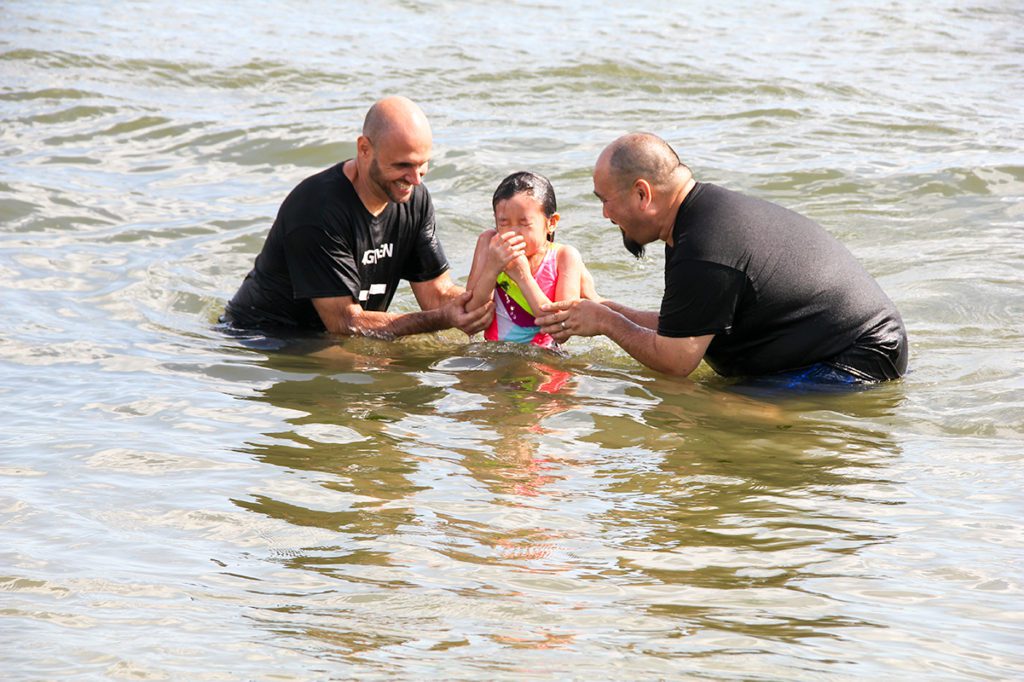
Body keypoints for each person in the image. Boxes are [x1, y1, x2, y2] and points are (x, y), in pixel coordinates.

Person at [536, 132, 909, 384]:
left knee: (720, 411)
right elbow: (687, 327)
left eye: (605, 201)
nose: (605, 215)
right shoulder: (696, 221)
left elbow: (677, 360)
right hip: (850, 352)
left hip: (852, 364)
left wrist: (606, 323)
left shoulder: (704, 245)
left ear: (642, 194)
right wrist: (607, 308)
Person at [222, 96, 492, 340]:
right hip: (268, 337)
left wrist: (495, 302)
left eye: (423, 164)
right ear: (364, 149)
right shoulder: (316, 209)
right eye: (403, 165)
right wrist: (442, 319)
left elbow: (437, 294)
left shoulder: (414, 198)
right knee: (382, 369)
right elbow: (345, 323)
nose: (415, 179)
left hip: (340, 333)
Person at [465, 171, 588, 350]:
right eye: (504, 223)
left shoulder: (564, 257)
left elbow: (561, 330)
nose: (513, 233)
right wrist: (492, 268)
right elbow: (470, 313)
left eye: (524, 223)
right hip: (493, 356)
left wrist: (523, 277)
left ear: (551, 223)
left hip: (544, 360)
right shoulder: (489, 243)